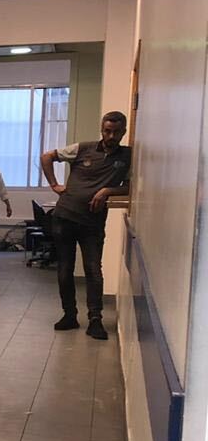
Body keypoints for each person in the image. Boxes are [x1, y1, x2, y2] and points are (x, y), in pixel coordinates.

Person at [40, 111, 132, 340]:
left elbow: (132, 186)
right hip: (64, 217)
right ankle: (69, 315)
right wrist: (54, 184)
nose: (110, 135)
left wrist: (108, 190)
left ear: (124, 132)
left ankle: (95, 320)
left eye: (116, 132)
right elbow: (46, 156)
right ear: (101, 129)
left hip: (92, 223)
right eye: (107, 130)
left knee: (93, 270)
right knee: (64, 270)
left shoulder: (129, 156)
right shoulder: (83, 148)